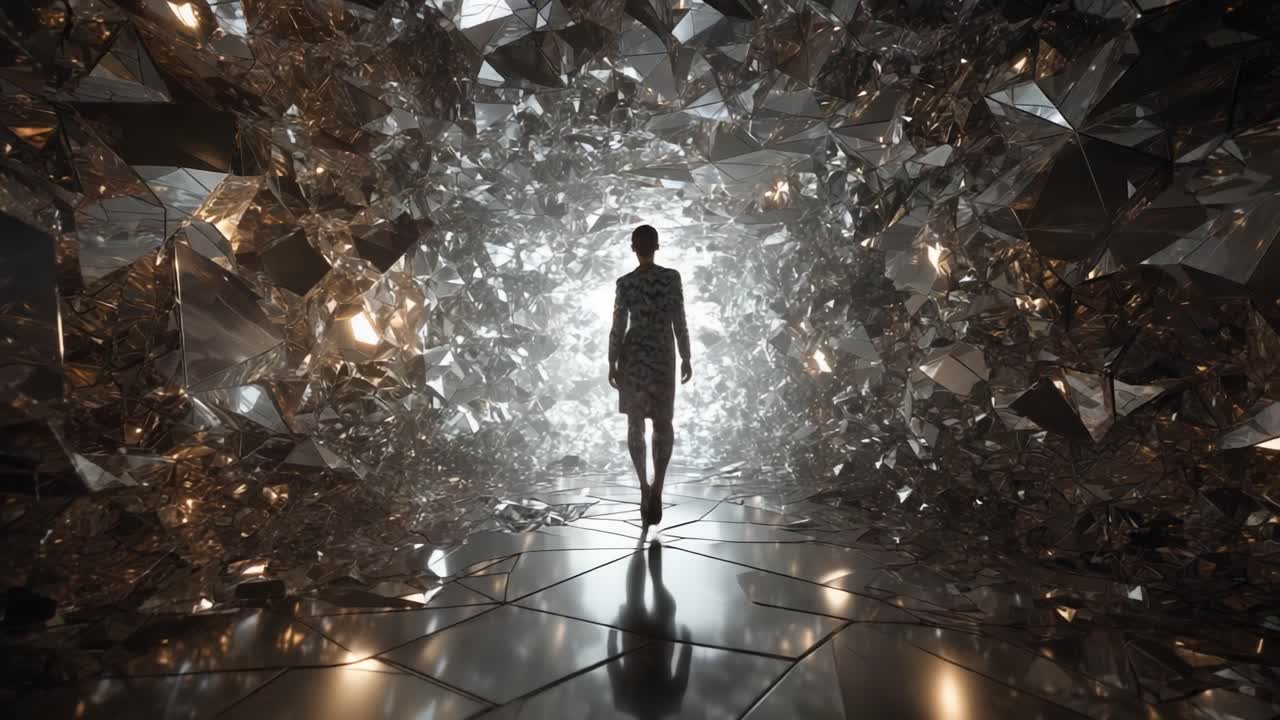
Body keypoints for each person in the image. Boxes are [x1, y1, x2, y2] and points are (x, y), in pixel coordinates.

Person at [607, 225, 692, 526]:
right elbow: (678, 318)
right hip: (661, 354)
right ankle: (657, 486)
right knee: (662, 421)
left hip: (634, 354)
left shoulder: (626, 283)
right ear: (657, 246)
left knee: (635, 422)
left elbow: (618, 325)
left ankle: (644, 486)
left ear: (633, 247)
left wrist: (612, 360)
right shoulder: (670, 278)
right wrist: (685, 355)